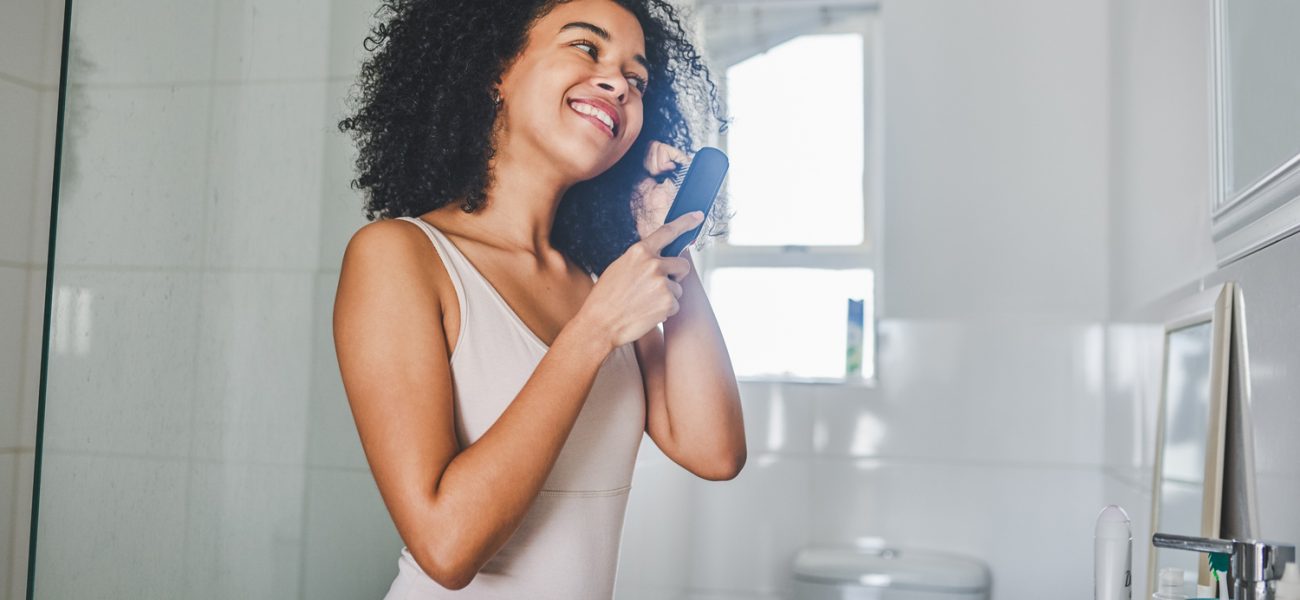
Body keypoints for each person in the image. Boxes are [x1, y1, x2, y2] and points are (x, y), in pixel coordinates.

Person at [332, 0, 745, 597]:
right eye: (586, 46)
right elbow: (447, 549)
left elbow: (715, 450)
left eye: (637, 78)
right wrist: (594, 331)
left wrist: (665, 236)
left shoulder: (604, 279)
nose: (619, 84)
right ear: (497, 66)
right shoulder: (400, 256)